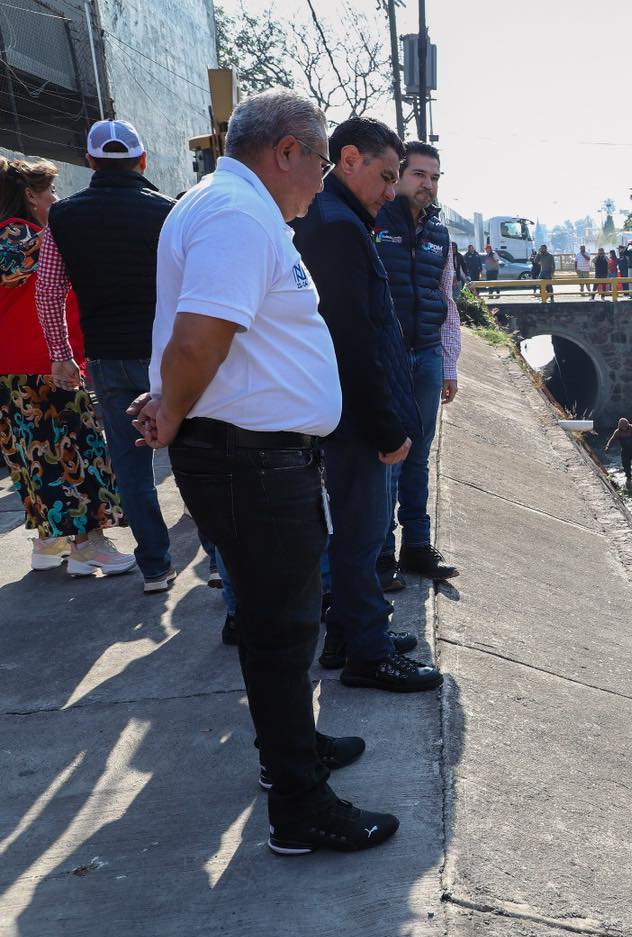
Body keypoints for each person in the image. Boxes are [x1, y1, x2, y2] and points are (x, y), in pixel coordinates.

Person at [136, 88, 393, 853]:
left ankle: (292, 751)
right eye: (317, 161)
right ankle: (300, 807)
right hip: (248, 459)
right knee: (283, 632)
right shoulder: (237, 216)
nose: (320, 182)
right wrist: (172, 411)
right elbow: (199, 339)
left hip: (254, 455)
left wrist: (174, 405)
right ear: (286, 151)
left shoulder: (228, 205)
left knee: (279, 624)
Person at [292, 117, 441, 694]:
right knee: (360, 535)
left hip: (356, 410)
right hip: (357, 418)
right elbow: (353, 340)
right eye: (385, 177)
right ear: (347, 160)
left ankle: (360, 629)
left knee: (359, 534)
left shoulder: (343, 220)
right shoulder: (336, 227)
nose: (389, 190)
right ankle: (368, 654)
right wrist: (386, 427)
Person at [36, 119, 177, 592]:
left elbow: (49, 292)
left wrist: (61, 355)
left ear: (91, 162)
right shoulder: (168, 211)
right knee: (196, 454)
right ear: (142, 161)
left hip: (107, 357)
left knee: (132, 464)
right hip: (168, 354)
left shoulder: (64, 217)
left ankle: (155, 567)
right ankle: (220, 563)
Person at [0, 156, 133, 577]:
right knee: (74, 453)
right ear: (30, 196)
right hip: (44, 365)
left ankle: (49, 542)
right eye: (50, 192)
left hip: (17, 367)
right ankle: (87, 545)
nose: (55, 200)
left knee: (34, 458)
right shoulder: (21, 236)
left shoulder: (18, 237)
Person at [374, 141, 462, 589]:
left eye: (434, 177)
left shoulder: (439, 235)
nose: (427, 184)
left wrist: (449, 366)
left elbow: (446, 300)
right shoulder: (372, 223)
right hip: (384, 360)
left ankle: (417, 547)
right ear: (398, 175)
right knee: (388, 454)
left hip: (426, 356)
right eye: (419, 175)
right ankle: (383, 554)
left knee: (419, 455)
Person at [604, 417, 632, 486]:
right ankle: (629, 480)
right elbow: (612, 439)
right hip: (625, 452)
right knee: (626, 467)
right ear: (619, 426)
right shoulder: (618, 432)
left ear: (628, 425)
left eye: (625, 426)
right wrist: (607, 447)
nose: (624, 428)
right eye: (622, 427)